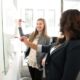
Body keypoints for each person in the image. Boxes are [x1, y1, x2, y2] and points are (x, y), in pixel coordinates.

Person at [20, 9, 80, 80]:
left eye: (61, 21)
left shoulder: (76, 46)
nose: (59, 24)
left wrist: (44, 58)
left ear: (68, 24)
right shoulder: (63, 40)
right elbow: (45, 48)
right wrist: (26, 42)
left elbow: (68, 76)